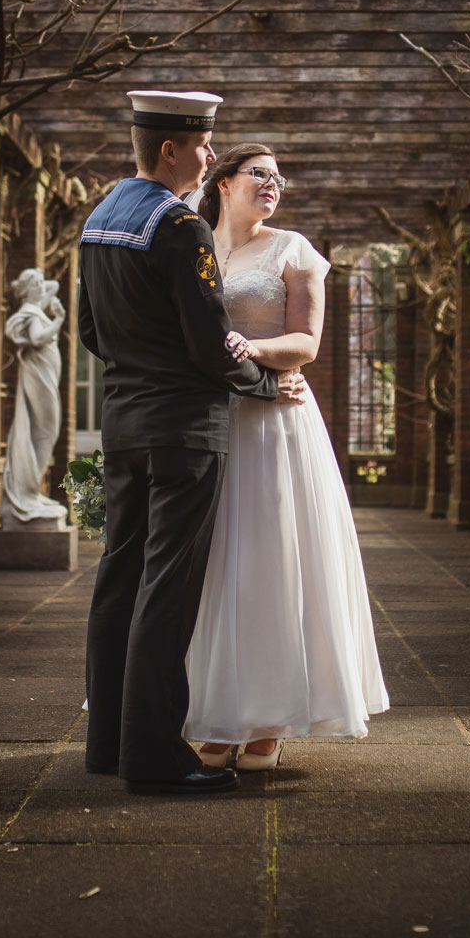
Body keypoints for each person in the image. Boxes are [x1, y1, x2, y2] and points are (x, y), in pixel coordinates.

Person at [78, 90, 308, 796]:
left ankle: (110, 744)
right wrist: (271, 388)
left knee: (119, 579)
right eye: (204, 145)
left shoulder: (99, 218)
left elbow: (90, 331)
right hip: (184, 433)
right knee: (166, 589)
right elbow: (212, 347)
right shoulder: (178, 225)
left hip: (123, 426)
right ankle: (156, 756)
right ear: (171, 149)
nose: (211, 156)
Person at [187, 144, 390, 772]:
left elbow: (306, 342)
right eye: (260, 175)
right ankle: (220, 712)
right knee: (216, 566)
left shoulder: (292, 248)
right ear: (223, 183)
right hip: (208, 420)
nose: (273, 185)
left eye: (280, 178)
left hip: (274, 421)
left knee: (270, 562)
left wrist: (249, 347)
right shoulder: (192, 245)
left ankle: (269, 722)